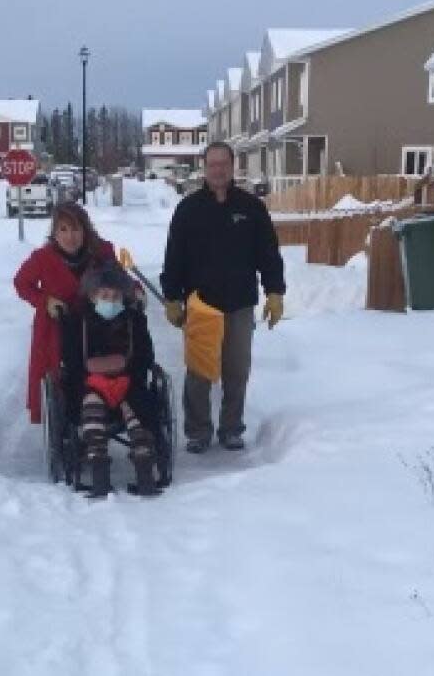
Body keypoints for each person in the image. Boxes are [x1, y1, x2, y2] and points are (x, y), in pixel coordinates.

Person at [160, 142, 285, 453]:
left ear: (233, 166)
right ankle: (198, 431)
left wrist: (274, 292)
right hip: (201, 305)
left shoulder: (251, 208)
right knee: (200, 372)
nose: (218, 169)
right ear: (204, 168)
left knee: (236, 369)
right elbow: (174, 258)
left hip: (240, 302)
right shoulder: (188, 210)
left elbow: (268, 254)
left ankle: (231, 428)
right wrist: (172, 297)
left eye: (223, 164)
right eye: (213, 164)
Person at [61, 265, 158, 497]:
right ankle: (99, 473)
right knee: (91, 406)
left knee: (137, 411)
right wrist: (92, 380)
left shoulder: (134, 320)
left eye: (115, 296)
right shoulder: (78, 323)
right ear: (93, 296)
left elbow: (145, 356)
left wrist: (127, 378)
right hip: (89, 383)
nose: (110, 301)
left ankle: (145, 473)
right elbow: (71, 361)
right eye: (104, 296)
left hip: (128, 381)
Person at [14, 202, 115, 424]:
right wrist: (45, 301)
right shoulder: (43, 257)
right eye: (64, 229)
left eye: (76, 229)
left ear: (85, 230)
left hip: (97, 325)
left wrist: (135, 291)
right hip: (58, 326)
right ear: (55, 233)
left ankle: (104, 403)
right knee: (66, 373)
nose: (71, 236)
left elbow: (120, 279)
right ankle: (72, 414)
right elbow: (22, 283)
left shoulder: (102, 252)